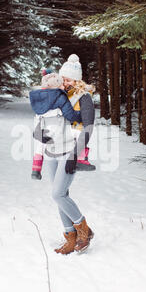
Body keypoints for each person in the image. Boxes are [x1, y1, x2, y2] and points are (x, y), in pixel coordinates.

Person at [34, 54, 96, 255]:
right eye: (64, 78)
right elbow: (43, 119)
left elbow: (88, 128)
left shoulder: (84, 98)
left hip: (70, 151)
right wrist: (41, 134)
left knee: (58, 194)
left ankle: (83, 229)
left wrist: (74, 156)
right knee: (61, 196)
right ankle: (70, 237)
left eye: (69, 79)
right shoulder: (58, 95)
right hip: (53, 150)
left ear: (77, 80)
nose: (65, 82)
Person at [30, 73, 82, 180]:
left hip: (44, 128)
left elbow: (37, 117)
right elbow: (69, 115)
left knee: (40, 146)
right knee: (79, 133)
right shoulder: (60, 96)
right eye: (62, 84)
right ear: (57, 85)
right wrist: (79, 116)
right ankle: (82, 159)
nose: (64, 86)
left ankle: (36, 169)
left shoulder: (39, 98)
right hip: (59, 129)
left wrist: (36, 131)